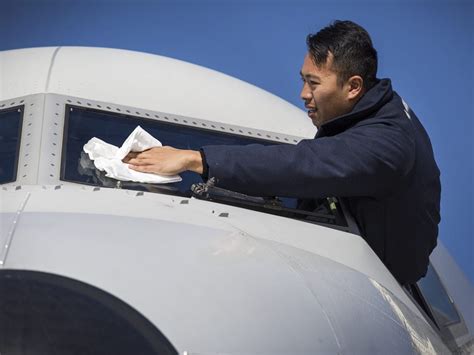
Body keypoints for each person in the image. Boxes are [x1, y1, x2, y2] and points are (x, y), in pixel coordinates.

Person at [124, 20, 441, 285]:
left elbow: (305, 165)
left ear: (354, 87)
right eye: (303, 80)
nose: (304, 94)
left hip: (374, 285)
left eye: (314, 83)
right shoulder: (374, 110)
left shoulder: (388, 143)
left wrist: (197, 159)